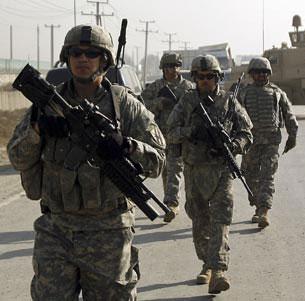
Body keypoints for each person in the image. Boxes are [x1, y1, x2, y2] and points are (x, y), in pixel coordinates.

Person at [7, 24, 166, 300]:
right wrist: (38, 131)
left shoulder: (124, 105)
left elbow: (158, 160)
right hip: (57, 227)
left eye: (91, 53)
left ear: (104, 59)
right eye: (76, 53)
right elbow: (17, 158)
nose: (83, 59)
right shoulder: (46, 104)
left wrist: (127, 146)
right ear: (67, 58)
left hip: (109, 230)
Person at [166, 54, 252, 294]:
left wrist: (233, 145)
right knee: (200, 221)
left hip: (221, 170)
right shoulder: (186, 102)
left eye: (210, 77)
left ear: (217, 78)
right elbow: (170, 132)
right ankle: (208, 264)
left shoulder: (229, 102)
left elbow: (247, 132)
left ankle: (219, 271)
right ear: (194, 78)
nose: (205, 81)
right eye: (200, 77)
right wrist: (193, 132)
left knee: (221, 219)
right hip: (194, 171)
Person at [238, 57, 298, 228]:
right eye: (257, 72)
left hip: (271, 141)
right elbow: (234, 117)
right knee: (249, 175)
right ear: (251, 74)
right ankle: (257, 205)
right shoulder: (243, 93)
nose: (261, 76)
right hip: (250, 142)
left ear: (269, 74)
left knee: (267, 175)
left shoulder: (277, 93)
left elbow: (289, 114)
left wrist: (292, 135)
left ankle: (264, 210)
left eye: (264, 72)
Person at [141, 52, 194, 223]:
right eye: (169, 67)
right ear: (163, 69)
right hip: (160, 135)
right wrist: (158, 103)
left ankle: (171, 203)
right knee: (166, 170)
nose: (173, 70)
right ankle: (170, 200)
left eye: (176, 66)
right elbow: (141, 106)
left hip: (180, 136)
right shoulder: (156, 88)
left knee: (174, 169)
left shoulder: (188, 87)